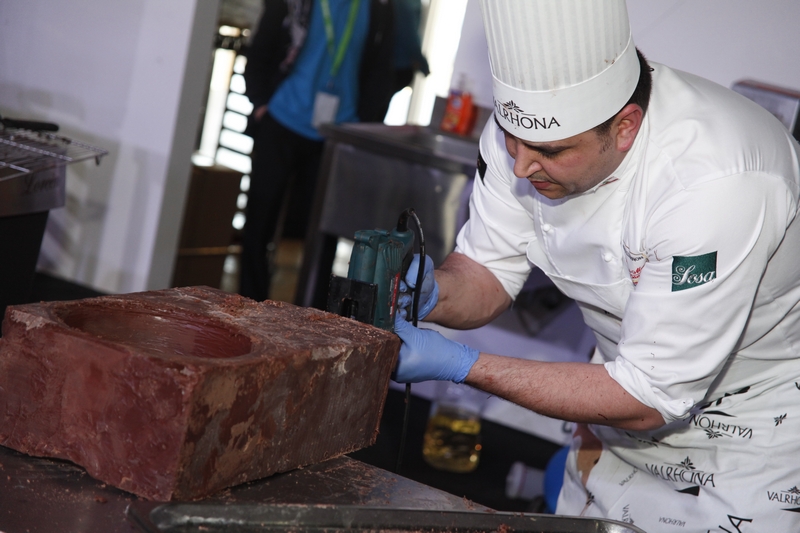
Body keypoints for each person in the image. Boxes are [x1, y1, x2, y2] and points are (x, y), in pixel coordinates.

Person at [393, 0, 800, 531]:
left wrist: (462, 366)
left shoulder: (716, 183)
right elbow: (488, 274)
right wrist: (435, 292)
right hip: (613, 410)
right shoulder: (519, 142)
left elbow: (650, 394)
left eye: (550, 151)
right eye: (512, 140)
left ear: (625, 127)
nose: (518, 165)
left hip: (750, 433)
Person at [240, 0, 394, 301]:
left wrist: (365, 126)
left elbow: (382, 68)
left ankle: (311, 316)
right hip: (282, 119)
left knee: (323, 236)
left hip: (337, 134)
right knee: (259, 222)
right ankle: (248, 305)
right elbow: (263, 43)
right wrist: (259, 101)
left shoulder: (380, 6)